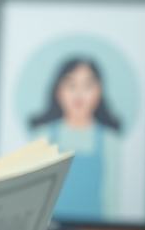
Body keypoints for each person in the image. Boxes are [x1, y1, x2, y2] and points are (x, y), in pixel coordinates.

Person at [29, 57, 121, 221]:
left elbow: (112, 195)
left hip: (99, 228)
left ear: (99, 91)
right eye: (71, 85)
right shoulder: (43, 135)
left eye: (87, 85)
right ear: (58, 90)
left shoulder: (109, 139)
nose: (79, 94)